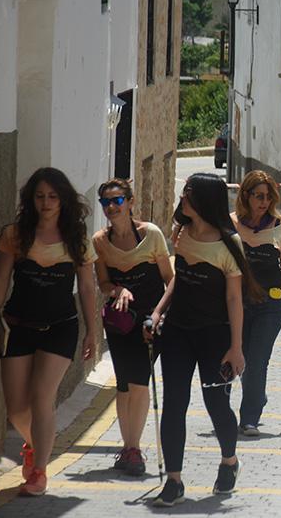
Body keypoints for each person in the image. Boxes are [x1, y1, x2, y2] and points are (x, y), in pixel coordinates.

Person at [148, 173, 262, 507]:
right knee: (174, 404)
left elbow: (234, 299)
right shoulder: (181, 233)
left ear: (204, 200)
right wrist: (157, 312)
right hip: (177, 332)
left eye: (188, 192)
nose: (182, 197)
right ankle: (174, 481)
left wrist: (236, 348)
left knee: (216, 405)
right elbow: (179, 280)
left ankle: (229, 460)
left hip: (215, 337)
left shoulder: (229, 243)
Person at [0, 167, 98, 496]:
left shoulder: (77, 239)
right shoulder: (15, 235)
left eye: (52, 196)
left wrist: (93, 332)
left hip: (61, 328)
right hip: (18, 326)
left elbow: (87, 288)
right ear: (30, 199)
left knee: (41, 397)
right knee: (16, 409)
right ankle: (36, 444)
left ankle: (39, 472)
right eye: (39, 196)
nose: (46, 203)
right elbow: (0, 281)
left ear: (63, 199)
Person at [93, 178, 173, 476]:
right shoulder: (100, 241)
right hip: (119, 323)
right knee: (124, 384)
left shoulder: (151, 234)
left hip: (149, 322)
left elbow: (170, 279)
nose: (111, 207)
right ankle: (128, 448)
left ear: (130, 202)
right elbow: (103, 282)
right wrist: (118, 290)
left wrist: (159, 314)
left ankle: (134, 449)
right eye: (106, 202)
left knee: (139, 381)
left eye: (117, 201)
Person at [231, 170, 281, 436]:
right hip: (238, 302)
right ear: (246, 196)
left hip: (271, 303)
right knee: (243, 357)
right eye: (258, 196)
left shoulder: (280, 226)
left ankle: (249, 417)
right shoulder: (231, 224)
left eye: (268, 197)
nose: (264, 202)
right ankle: (257, 397)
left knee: (257, 359)